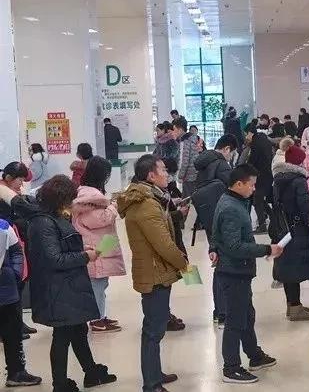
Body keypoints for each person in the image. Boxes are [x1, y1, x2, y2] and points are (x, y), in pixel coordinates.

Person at [0, 177, 116, 392]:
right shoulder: (44, 222)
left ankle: (91, 372)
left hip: (67, 286)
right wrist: (85, 256)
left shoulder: (50, 217)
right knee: (62, 336)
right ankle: (60, 384)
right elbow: (54, 259)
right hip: (58, 288)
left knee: (78, 330)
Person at [117, 155, 191, 392]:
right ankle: (151, 384)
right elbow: (164, 245)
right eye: (163, 170)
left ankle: (154, 373)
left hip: (155, 271)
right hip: (154, 273)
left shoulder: (150, 199)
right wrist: (184, 264)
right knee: (153, 331)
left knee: (155, 328)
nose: (167, 174)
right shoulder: (146, 203)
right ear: (151, 175)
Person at [211, 164, 282, 384]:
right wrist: (267, 249)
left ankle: (254, 355)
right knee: (235, 320)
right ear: (239, 184)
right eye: (251, 185)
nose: (253, 189)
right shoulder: (231, 207)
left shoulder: (233, 200)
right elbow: (234, 246)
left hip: (239, 270)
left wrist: (213, 247)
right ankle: (231, 368)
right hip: (233, 271)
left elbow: (217, 232)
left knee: (246, 316)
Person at [72, 156, 126, 333]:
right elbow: (98, 219)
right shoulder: (89, 196)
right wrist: (113, 207)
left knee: (102, 283)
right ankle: (96, 319)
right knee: (97, 284)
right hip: (95, 246)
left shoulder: (89, 193)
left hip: (101, 243)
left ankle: (101, 315)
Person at [192, 134, 237, 325]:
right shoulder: (221, 164)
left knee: (218, 262)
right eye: (231, 153)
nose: (230, 156)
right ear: (226, 149)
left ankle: (219, 310)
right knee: (226, 265)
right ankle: (224, 311)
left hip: (208, 218)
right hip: (223, 220)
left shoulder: (204, 163)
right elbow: (234, 189)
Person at [272, 145, 309, 321]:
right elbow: (305, 207)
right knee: (295, 267)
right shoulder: (298, 181)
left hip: (283, 228)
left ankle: (292, 305)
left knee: (287, 266)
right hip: (297, 229)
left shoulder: (278, 179)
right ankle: (296, 308)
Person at [0, 209, 42, 386]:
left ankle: (16, 372)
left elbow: (16, 251)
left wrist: (15, 274)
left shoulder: (3, 226)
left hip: (6, 289)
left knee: (13, 333)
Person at [0, 163, 35, 341]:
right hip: (6, 244)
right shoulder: (3, 193)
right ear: (8, 178)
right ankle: (8, 328)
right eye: (19, 179)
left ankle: (18, 323)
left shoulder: (12, 192)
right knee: (10, 284)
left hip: (15, 240)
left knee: (19, 282)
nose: (22, 183)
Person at [247, 132, 274, 235]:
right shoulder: (267, 143)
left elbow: (252, 161)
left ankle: (262, 225)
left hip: (258, 176)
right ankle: (273, 217)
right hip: (268, 175)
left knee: (257, 201)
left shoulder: (256, 144)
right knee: (259, 200)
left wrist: (246, 169)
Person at [174, 120, 200, 196]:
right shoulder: (192, 139)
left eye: (174, 129)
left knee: (187, 198)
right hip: (195, 173)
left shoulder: (184, 141)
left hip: (189, 175)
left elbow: (184, 161)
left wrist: (180, 176)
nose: (173, 132)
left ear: (180, 130)